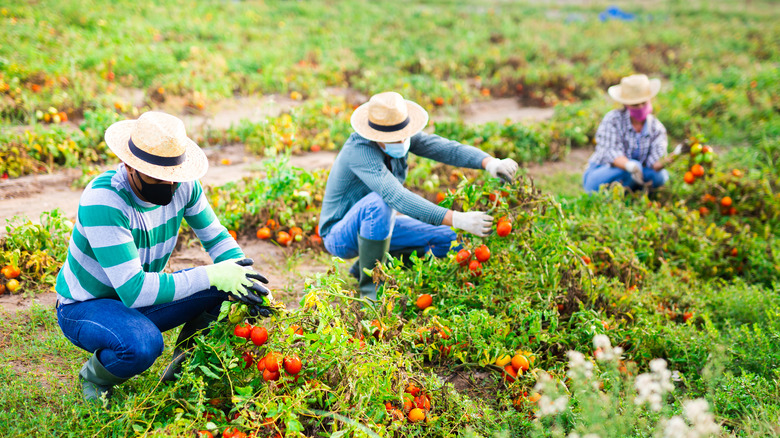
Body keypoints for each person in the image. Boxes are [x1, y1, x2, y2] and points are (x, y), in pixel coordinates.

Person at [55, 111, 272, 403]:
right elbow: (134, 290)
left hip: (139, 298)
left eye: (172, 176)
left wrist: (246, 278)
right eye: (156, 176)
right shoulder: (104, 200)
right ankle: (94, 377)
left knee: (225, 286)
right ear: (129, 165)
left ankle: (183, 371)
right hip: (87, 306)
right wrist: (211, 273)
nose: (168, 185)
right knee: (142, 343)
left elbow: (217, 238)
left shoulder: (185, 186)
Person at [318, 91, 519, 300]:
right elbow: (396, 196)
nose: (404, 140)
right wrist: (456, 218)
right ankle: (371, 292)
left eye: (405, 134)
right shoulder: (360, 152)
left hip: (380, 225)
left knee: (452, 240)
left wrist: (489, 162)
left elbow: (445, 149)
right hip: (340, 235)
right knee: (379, 203)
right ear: (377, 137)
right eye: (396, 138)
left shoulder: (400, 136)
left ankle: (367, 265)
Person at [583, 74, 683, 193]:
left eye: (643, 103)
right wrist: (630, 166)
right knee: (634, 167)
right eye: (635, 105)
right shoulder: (613, 120)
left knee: (661, 176)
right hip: (604, 171)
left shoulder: (656, 128)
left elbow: (655, 163)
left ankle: (632, 189)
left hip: (636, 173)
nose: (640, 107)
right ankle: (621, 190)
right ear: (626, 104)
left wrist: (676, 154)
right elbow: (610, 152)